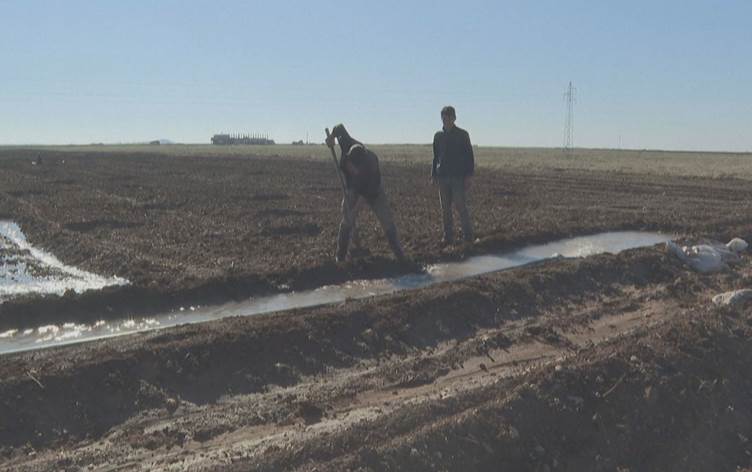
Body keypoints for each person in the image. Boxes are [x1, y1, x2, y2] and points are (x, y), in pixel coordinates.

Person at [326, 124, 405, 262]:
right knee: (347, 217)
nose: (352, 170)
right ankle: (341, 256)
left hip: (373, 191)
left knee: (386, 219)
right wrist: (331, 138)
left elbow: (365, 195)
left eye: (355, 169)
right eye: (350, 167)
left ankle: (400, 255)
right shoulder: (347, 145)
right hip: (354, 188)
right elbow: (339, 127)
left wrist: (355, 210)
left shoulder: (371, 165)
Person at [432, 105, 475, 245]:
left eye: (449, 117)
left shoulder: (462, 135)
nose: (446, 120)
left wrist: (469, 176)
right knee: (445, 209)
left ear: (454, 118)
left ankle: (468, 237)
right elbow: (435, 156)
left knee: (460, 206)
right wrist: (433, 175)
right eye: (444, 118)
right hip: (442, 177)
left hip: (458, 177)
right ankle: (448, 237)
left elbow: (469, 156)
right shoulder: (438, 136)